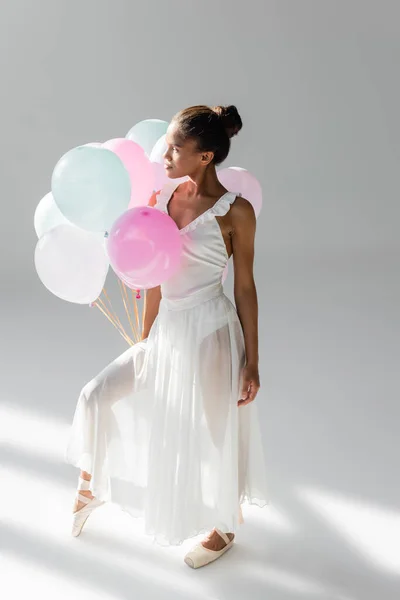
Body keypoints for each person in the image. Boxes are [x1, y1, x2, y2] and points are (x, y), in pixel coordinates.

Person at [65, 104, 269, 569]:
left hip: (212, 330)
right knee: (96, 394)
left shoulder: (236, 213)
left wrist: (252, 360)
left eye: (178, 148)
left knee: (215, 431)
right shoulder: (163, 196)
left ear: (206, 156)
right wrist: (144, 339)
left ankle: (226, 524)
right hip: (169, 328)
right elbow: (154, 275)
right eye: (168, 144)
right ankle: (89, 485)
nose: (166, 154)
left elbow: (245, 286)